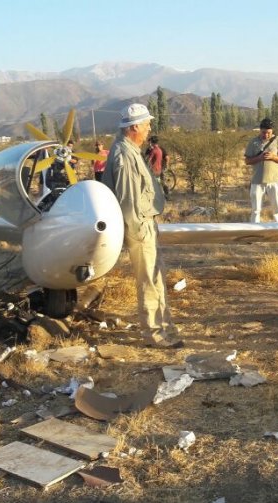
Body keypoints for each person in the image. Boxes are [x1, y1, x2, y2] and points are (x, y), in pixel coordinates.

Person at [100, 104, 181, 349]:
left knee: (156, 277)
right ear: (135, 126)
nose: (149, 129)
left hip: (145, 223)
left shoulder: (131, 150)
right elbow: (127, 199)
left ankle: (165, 327)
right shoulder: (124, 154)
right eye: (146, 124)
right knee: (148, 279)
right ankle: (154, 334)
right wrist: (139, 231)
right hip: (139, 225)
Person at [244, 118, 278, 222]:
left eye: (268, 133)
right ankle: (254, 231)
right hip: (257, 180)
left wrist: (273, 157)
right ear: (260, 130)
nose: (266, 135)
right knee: (255, 210)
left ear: (272, 131)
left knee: (277, 209)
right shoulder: (253, 142)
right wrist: (259, 158)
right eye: (264, 132)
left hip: (274, 180)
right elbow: (247, 161)